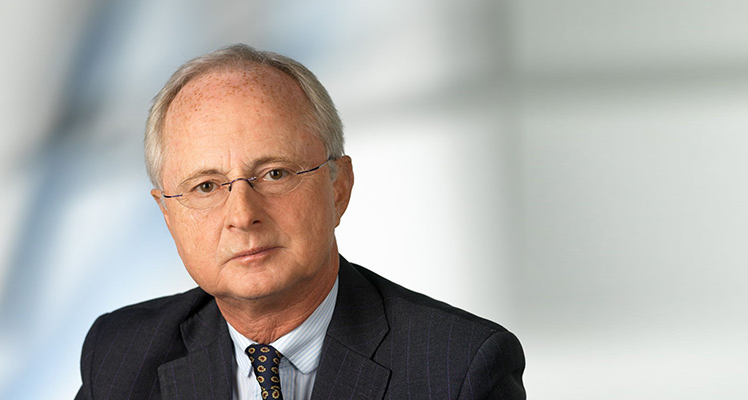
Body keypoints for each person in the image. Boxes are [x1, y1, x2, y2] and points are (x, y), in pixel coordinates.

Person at [75, 44, 525, 400]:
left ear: (338, 186)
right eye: (206, 186)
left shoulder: (459, 369)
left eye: (275, 174)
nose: (243, 215)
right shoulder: (119, 355)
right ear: (167, 214)